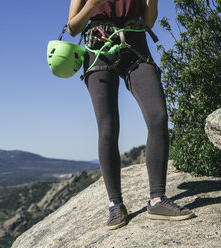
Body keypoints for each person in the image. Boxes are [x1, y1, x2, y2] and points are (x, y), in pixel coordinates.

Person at [67, 0, 195, 230]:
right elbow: (73, 27)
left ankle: (157, 200)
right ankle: (115, 204)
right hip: (98, 47)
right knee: (107, 127)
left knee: (158, 116)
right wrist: (91, 6)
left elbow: (149, 21)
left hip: (135, 44)